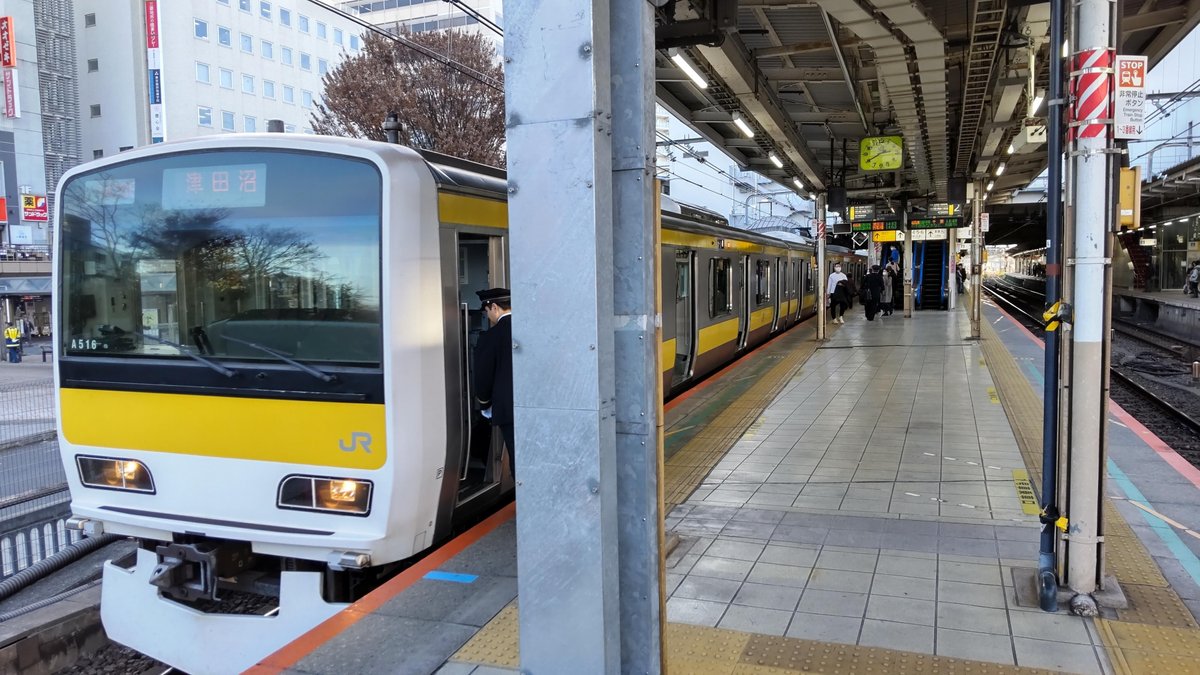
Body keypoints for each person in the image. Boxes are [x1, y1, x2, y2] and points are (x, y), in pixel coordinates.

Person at [474, 288, 515, 477]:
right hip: (538, 406)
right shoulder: (530, 328)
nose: (488, 316)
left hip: (508, 409)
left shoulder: (490, 337)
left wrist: (484, 402)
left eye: (487, 311)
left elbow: (483, 376)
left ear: (495, 307)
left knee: (517, 458)